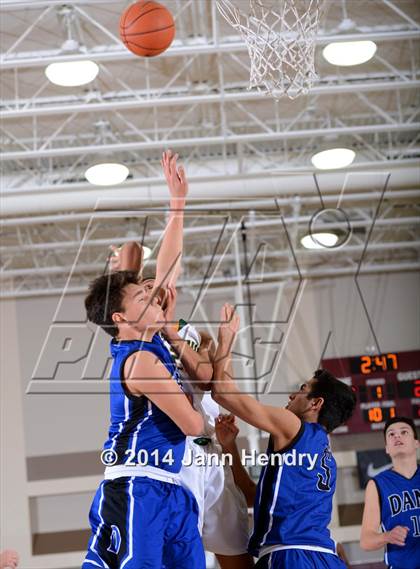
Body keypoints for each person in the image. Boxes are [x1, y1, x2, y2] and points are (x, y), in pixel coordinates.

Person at [82, 150, 206, 569]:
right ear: (121, 318)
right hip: (136, 485)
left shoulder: (150, 338)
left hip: (169, 485)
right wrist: (194, 382)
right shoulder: (141, 360)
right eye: (142, 295)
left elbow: (166, 268)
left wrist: (177, 205)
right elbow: (194, 425)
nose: (156, 295)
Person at [106, 266, 253, 567]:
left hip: (210, 447)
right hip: (177, 450)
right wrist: (119, 266)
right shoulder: (141, 339)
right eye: (144, 289)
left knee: (234, 547)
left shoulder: (185, 329)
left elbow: (212, 379)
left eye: (153, 287)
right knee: (178, 550)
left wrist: (220, 342)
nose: (151, 293)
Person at [211, 303, 357, 569]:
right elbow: (256, 497)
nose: (292, 395)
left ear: (316, 404)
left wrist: (226, 340)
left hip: (292, 555)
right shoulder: (323, 449)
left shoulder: (293, 425)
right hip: (324, 558)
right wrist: (230, 448)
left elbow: (222, 392)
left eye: (302, 389)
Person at [360, 416, 419, 569]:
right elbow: (366, 540)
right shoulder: (377, 484)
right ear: (387, 448)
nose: (397, 436)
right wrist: (387, 536)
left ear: (416, 443)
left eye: (404, 432)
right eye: (391, 434)